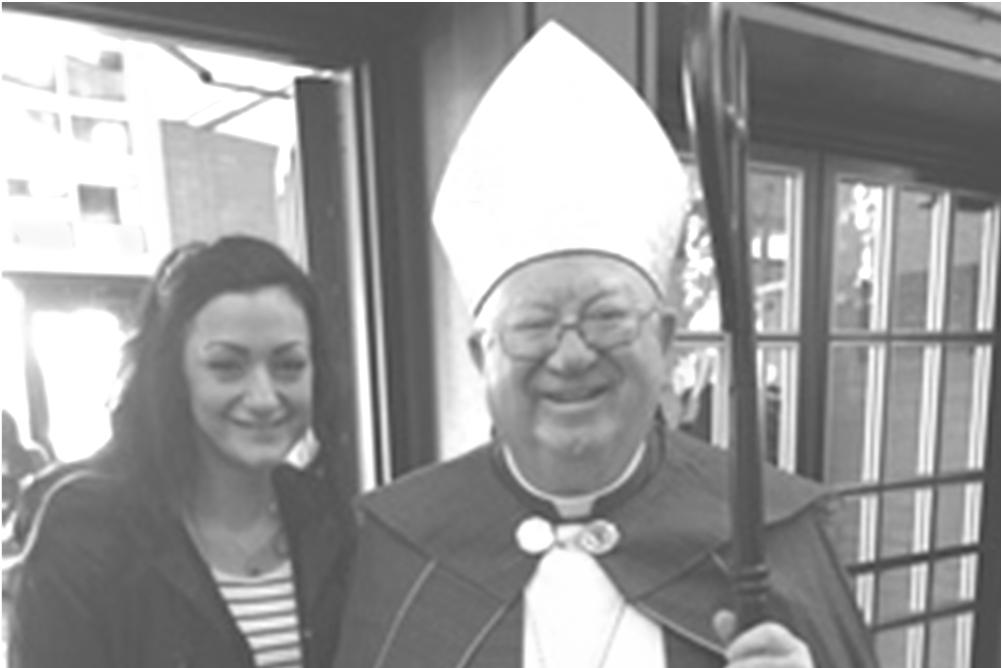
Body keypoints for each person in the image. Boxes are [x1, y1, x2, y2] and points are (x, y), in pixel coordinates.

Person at [333, 23, 878, 668]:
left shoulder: (775, 537)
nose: (571, 356)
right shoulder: (401, 548)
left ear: (667, 339)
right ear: (483, 357)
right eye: (534, 324)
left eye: (607, 317)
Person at [8, 236, 356, 668]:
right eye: (227, 366)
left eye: (288, 365)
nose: (264, 396)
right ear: (174, 377)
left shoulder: (332, 524)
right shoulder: (86, 533)